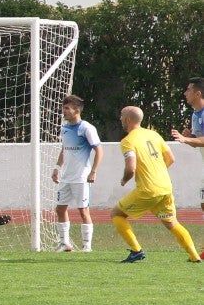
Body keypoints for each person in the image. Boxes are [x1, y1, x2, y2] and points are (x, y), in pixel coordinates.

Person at [111, 105, 200, 263]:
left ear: (128, 120)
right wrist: (156, 172)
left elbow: (131, 168)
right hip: (165, 186)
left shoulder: (127, 141)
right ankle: (194, 256)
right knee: (171, 222)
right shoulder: (153, 134)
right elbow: (171, 158)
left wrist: (125, 179)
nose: (120, 118)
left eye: (122, 115)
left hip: (148, 189)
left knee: (116, 214)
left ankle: (136, 251)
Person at [51, 94, 102, 252]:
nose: (64, 111)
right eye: (63, 108)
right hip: (66, 177)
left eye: (67, 108)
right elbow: (64, 150)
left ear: (77, 110)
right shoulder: (65, 129)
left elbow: (99, 150)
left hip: (81, 177)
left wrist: (93, 171)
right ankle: (65, 243)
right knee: (60, 209)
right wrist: (57, 168)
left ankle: (87, 245)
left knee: (83, 211)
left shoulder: (86, 128)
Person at [170, 76, 204, 224]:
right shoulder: (195, 115)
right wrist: (190, 137)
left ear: (198, 94)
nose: (185, 93)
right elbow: (198, 142)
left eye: (188, 90)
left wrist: (186, 139)